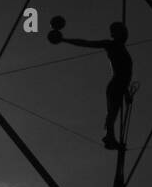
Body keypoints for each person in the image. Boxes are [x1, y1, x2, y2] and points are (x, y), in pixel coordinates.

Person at [51, 20, 133, 150]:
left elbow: (123, 73)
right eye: (122, 31)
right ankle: (109, 138)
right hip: (117, 85)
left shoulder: (121, 49)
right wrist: (65, 40)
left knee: (113, 112)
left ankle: (110, 138)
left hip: (119, 85)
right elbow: (87, 43)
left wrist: (127, 92)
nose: (125, 34)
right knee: (112, 113)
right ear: (116, 34)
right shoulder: (111, 45)